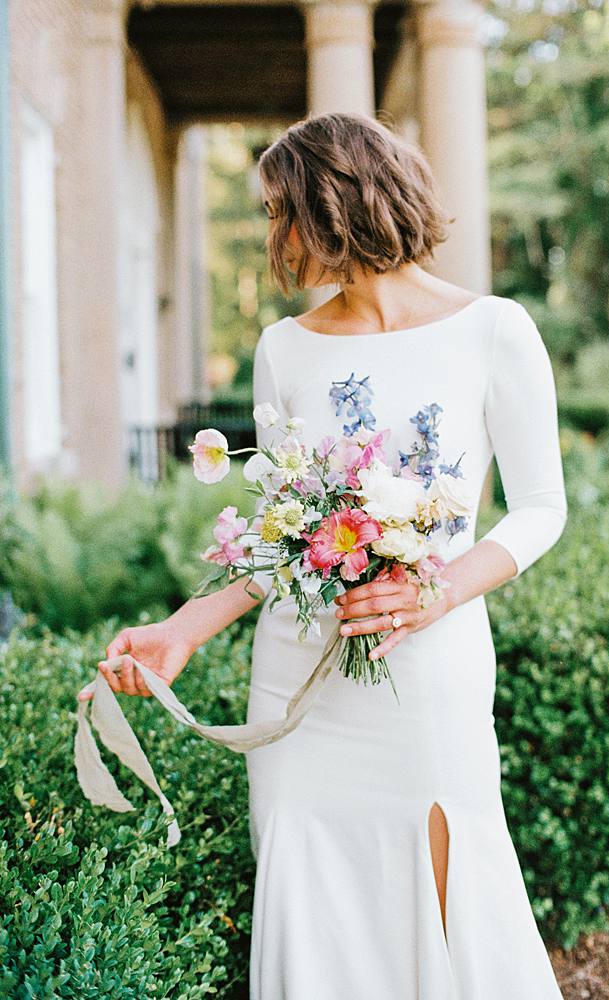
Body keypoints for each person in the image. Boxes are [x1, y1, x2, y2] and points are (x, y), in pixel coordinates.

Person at [81, 112, 567, 999]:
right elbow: (277, 532)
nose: (274, 238)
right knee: (311, 896)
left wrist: (438, 592)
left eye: (280, 212)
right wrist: (183, 630)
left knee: (443, 886)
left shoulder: (494, 330)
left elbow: (540, 510)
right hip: (297, 684)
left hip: (427, 668)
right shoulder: (283, 347)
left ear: (336, 200)